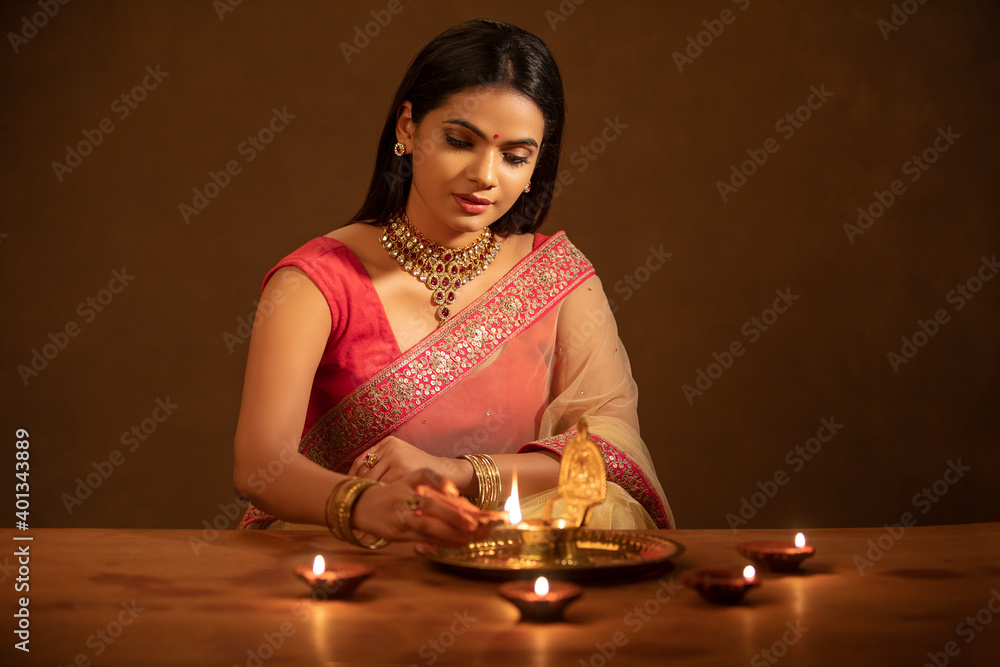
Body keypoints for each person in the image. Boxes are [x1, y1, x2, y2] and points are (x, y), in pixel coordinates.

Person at [233, 18, 674, 549]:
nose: (486, 175)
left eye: (515, 156)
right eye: (459, 141)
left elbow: (606, 452)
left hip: (513, 554)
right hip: (355, 556)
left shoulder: (557, 279)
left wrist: (461, 474)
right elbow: (260, 466)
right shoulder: (314, 283)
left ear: (536, 165)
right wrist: (371, 505)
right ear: (407, 128)